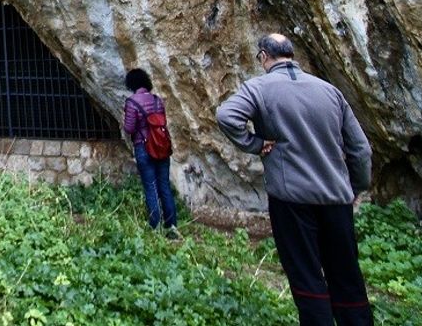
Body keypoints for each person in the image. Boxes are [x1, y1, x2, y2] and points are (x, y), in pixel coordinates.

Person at [216, 33, 374, 326]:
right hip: (336, 199)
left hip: (291, 201)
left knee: (306, 275)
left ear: (264, 57)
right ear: (292, 54)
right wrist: (355, 187)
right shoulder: (329, 91)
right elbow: (361, 149)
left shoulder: (259, 88)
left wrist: (255, 143)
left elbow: (227, 116)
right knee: (347, 275)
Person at [123, 68, 178, 233]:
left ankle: (155, 226)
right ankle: (172, 226)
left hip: (143, 147)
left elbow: (129, 128)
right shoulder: (157, 100)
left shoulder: (132, 102)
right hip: (161, 147)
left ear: (131, 84)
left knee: (150, 186)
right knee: (164, 186)